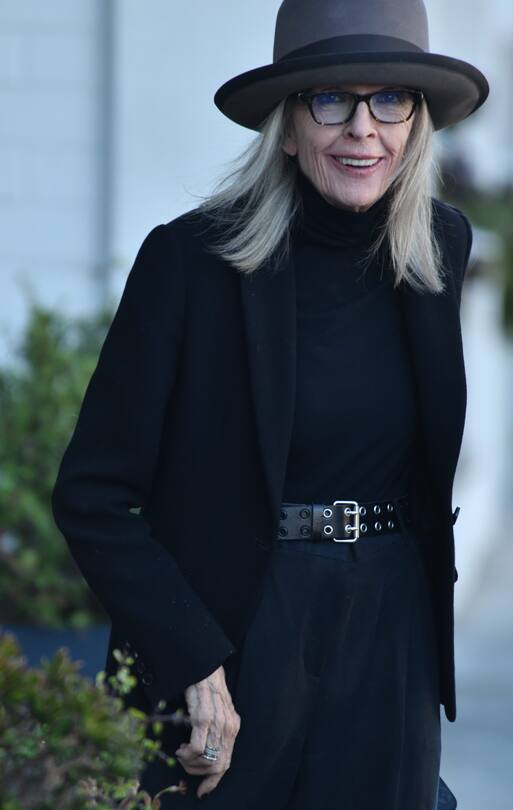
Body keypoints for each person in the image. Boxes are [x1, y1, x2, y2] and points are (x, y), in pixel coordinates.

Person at [50, 0, 489, 807]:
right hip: (238, 637)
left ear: (417, 121)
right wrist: (191, 659)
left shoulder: (441, 247)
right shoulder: (189, 263)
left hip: (389, 631)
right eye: (333, 99)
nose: (365, 128)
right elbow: (94, 496)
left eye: (390, 98)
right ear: (287, 125)